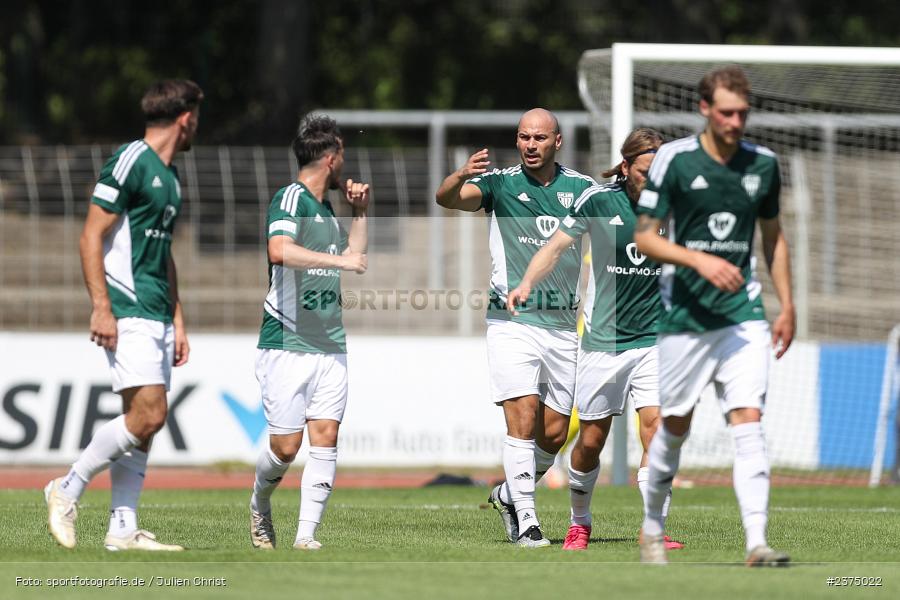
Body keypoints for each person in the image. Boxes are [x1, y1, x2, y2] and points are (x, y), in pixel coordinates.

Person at [633, 66, 795, 566]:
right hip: (684, 315)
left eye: (743, 113)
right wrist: (699, 259)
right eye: (726, 112)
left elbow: (773, 236)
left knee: (748, 421)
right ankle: (652, 529)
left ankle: (757, 542)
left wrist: (787, 304)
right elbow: (646, 237)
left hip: (743, 314)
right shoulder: (675, 162)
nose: (735, 121)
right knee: (674, 427)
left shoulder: (763, 165)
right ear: (705, 109)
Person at [507, 128, 684, 551]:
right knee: (590, 442)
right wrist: (528, 282)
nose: (653, 181)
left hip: (655, 340)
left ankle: (653, 527)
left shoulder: (676, 205)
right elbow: (554, 248)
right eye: (644, 172)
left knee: (658, 430)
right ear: (626, 168)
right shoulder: (599, 200)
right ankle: (579, 520)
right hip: (604, 342)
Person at [45, 79, 203, 551]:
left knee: (143, 420)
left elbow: (164, 255)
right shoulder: (132, 159)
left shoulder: (170, 176)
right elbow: (91, 235)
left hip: (156, 310)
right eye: (199, 117)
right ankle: (67, 488)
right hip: (128, 305)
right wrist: (101, 306)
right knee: (150, 414)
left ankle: (122, 528)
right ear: (185, 118)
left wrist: (177, 318)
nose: (199, 125)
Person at [436, 108, 596, 547]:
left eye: (539, 138)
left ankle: (508, 494)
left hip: (564, 326)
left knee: (555, 433)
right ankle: (528, 522)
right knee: (522, 415)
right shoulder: (500, 183)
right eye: (524, 137)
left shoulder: (581, 190)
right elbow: (447, 199)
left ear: (557, 142)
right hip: (512, 319)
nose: (530, 145)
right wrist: (459, 174)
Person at [249, 115, 369, 551]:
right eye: (343, 157)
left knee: (326, 437)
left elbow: (355, 255)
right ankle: (260, 501)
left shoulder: (327, 210)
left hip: (330, 343)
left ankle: (306, 537)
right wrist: (340, 262)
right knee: (285, 447)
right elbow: (278, 250)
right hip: (286, 342)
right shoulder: (291, 198)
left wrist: (359, 212)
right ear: (332, 158)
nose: (346, 166)